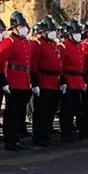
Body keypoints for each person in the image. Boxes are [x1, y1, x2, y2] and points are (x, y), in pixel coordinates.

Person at [0, 11, 33, 151]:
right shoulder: (9, 41)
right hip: (13, 79)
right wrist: (3, 80)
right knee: (11, 112)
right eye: (20, 25)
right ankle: (9, 139)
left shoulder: (25, 42)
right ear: (14, 27)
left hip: (24, 80)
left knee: (19, 112)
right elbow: (1, 63)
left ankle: (16, 137)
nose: (23, 28)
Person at [30, 16, 62, 147]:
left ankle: (46, 134)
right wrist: (35, 83)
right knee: (41, 112)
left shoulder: (53, 44)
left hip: (54, 81)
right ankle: (38, 136)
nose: (52, 33)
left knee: (50, 111)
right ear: (43, 31)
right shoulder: (37, 44)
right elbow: (34, 65)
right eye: (49, 30)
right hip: (43, 80)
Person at [58, 19, 85, 143]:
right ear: (69, 34)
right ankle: (65, 132)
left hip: (77, 80)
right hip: (68, 79)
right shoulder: (63, 46)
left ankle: (72, 130)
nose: (78, 35)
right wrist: (62, 80)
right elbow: (60, 65)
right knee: (66, 109)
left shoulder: (79, 46)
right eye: (76, 33)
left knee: (76, 107)